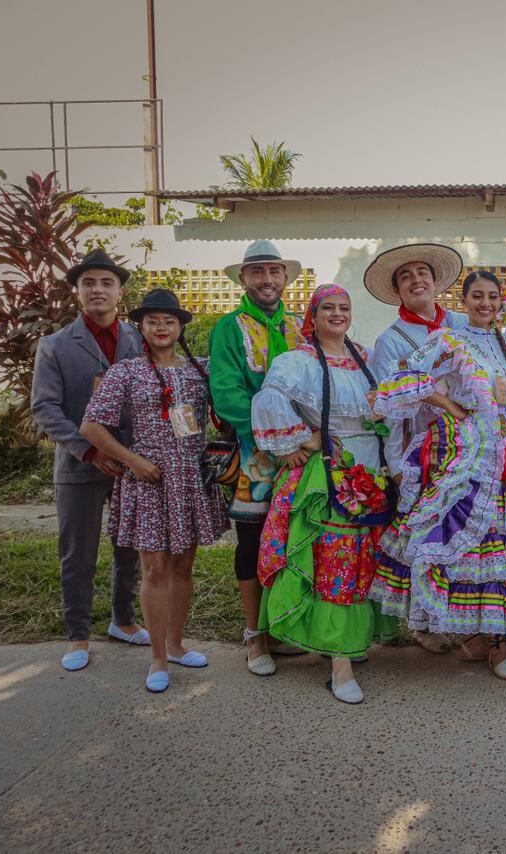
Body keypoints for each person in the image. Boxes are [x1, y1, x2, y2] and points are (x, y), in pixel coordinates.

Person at [371, 271, 506, 681]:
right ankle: (486, 641)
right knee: (475, 546)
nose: (486, 303)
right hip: (470, 450)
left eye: (493, 297)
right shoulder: (450, 339)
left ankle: (494, 640)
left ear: (502, 302)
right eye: (477, 296)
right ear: (463, 301)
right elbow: (405, 376)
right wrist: (451, 406)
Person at [250, 284, 398, 704]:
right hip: (329, 473)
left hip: (371, 471)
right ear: (312, 317)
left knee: (365, 559)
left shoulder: (365, 358)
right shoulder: (298, 361)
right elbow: (269, 399)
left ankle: (349, 640)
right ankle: (339, 664)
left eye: (344, 308)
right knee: (337, 563)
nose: (337, 314)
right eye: (327, 308)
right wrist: (301, 439)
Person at [80, 290, 228, 692]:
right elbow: (91, 426)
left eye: (169, 321)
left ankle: (177, 645)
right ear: (141, 327)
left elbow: (231, 402)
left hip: (191, 478)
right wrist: (132, 460)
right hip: (149, 480)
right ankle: (158, 659)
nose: (161, 327)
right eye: (152, 321)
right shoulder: (126, 372)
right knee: (155, 568)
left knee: (183, 566)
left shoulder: (202, 369)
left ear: (180, 327)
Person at [30, 249, 145, 672]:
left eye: (106, 283)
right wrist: (90, 449)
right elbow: (45, 408)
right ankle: (78, 634)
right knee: (78, 553)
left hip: (131, 464)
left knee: (129, 547)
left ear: (120, 292)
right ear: (77, 291)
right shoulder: (55, 345)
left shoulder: (139, 339)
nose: (98, 290)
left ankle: (123, 620)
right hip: (80, 464)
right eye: (89, 283)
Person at [364, 242, 467, 656]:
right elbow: (389, 411)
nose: (416, 280)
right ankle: (423, 624)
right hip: (422, 452)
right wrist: (396, 466)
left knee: (464, 535)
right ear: (398, 291)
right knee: (424, 540)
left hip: (469, 444)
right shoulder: (391, 341)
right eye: (405, 276)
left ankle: (466, 617)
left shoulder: (462, 323)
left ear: (435, 282)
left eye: (422, 272)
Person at [208, 239, 306, 676]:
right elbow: (226, 392)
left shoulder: (300, 326)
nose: (267, 279)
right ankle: (254, 635)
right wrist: (273, 438)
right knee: (251, 542)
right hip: (257, 456)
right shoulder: (230, 327)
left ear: (285, 277)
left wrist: (303, 439)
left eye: (274, 271)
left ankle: (281, 627)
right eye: (258, 271)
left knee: (295, 538)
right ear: (244, 278)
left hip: (303, 453)